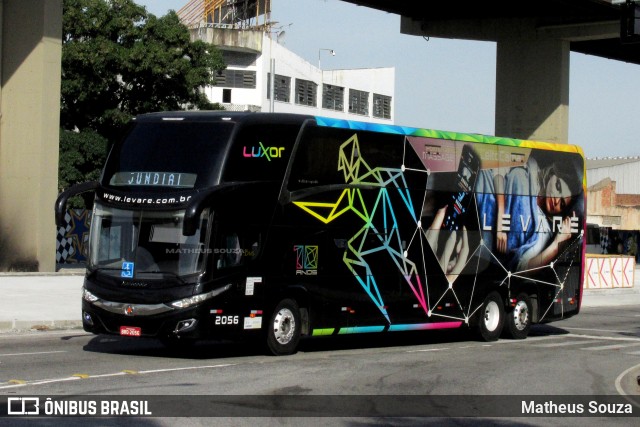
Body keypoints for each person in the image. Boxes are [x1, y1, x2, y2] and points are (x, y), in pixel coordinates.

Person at [475, 155, 582, 272]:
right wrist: (501, 217)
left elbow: (523, 267)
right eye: (558, 186)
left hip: (480, 236)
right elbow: (498, 169)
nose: (556, 201)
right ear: (552, 174)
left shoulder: (543, 230)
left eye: (562, 203)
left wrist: (556, 244)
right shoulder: (532, 167)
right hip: (481, 187)